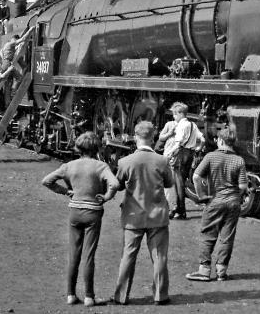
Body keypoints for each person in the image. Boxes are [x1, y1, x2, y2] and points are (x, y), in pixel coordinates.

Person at [41, 132, 119, 307]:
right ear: (96, 148)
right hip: (93, 213)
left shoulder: (69, 165)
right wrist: (106, 196)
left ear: (78, 148)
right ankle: (89, 296)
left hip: (74, 212)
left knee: (73, 254)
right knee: (89, 255)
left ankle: (70, 294)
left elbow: (46, 181)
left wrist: (65, 191)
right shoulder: (101, 166)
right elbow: (114, 184)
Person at [111, 121, 173, 306]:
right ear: (153, 138)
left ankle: (121, 296)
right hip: (157, 216)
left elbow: (118, 184)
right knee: (159, 257)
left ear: (135, 137)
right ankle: (160, 296)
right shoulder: (162, 161)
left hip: (133, 216)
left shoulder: (125, 161)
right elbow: (169, 183)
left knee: (128, 256)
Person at [185, 125, 247, 282]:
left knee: (208, 235)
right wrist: (234, 196)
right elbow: (243, 187)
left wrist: (201, 196)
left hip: (214, 200)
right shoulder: (239, 160)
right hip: (233, 203)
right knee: (227, 237)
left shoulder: (211, 157)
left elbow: (196, 177)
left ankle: (204, 270)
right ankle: (221, 271)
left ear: (220, 140)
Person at [169, 102, 205, 219]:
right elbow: (202, 138)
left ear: (180, 114)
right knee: (182, 182)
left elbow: (178, 143)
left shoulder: (181, 126)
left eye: (174, 114)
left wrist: (168, 155)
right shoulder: (192, 124)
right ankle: (180, 209)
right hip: (190, 154)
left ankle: (180, 210)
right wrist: (198, 148)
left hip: (180, 154)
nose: (174, 117)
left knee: (178, 183)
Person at [156, 119, 180, 216]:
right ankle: (170, 206)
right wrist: (170, 133)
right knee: (168, 181)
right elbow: (161, 137)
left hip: (179, 156)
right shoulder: (169, 124)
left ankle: (173, 207)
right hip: (168, 155)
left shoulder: (187, 125)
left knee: (176, 182)